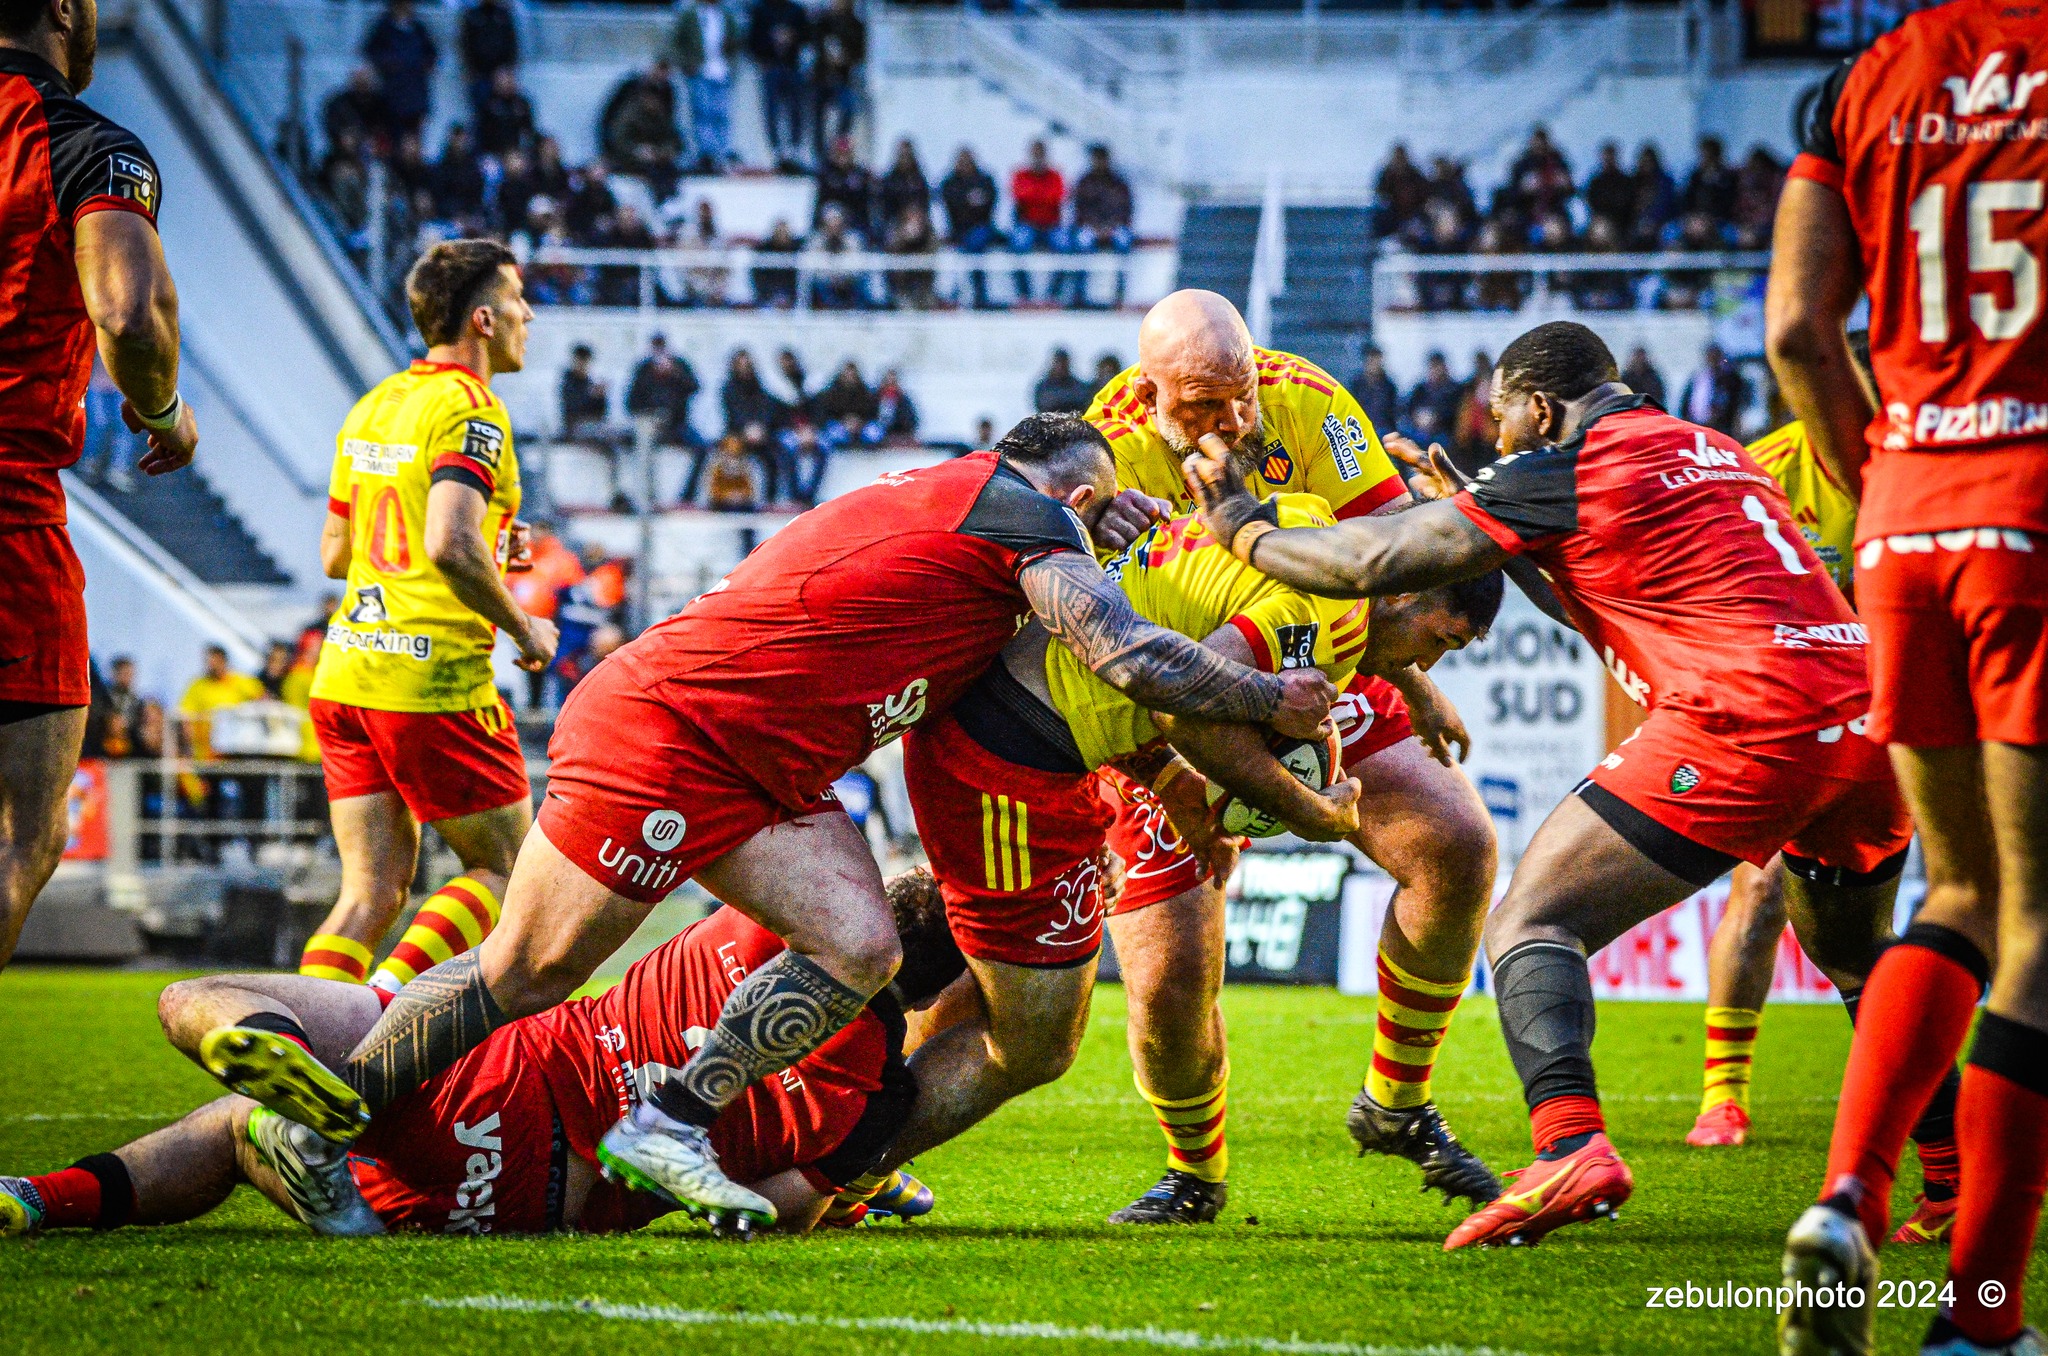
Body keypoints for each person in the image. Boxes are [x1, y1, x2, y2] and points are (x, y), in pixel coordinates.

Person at [193, 412, 1335, 1236]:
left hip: (764, 766)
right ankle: (326, 1123)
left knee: (862, 941)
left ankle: (670, 1121)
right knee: (527, 969)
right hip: (677, 733)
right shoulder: (1025, 520)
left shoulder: (953, 496)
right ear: (1060, 486)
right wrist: (1264, 697)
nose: (1094, 517)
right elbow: (1120, 649)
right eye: (1091, 497)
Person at [1183, 319, 1920, 1254]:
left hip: (1749, 713)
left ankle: (1568, 1146)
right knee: (1860, 959)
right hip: (1865, 712)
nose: (1496, 441)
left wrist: (1242, 525)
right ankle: (1950, 1181)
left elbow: (1369, 564)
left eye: (1501, 420)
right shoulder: (1714, 447)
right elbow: (1595, 593)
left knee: (1530, 920)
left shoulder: (1569, 460)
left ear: (1540, 407)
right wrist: (1496, 526)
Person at [881, 494, 1502, 1217]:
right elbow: (1175, 699)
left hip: (1086, 725)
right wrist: (1309, 811)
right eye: (1439, 640)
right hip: (1040, 747)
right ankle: (832, 1158)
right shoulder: (1322, 606)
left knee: (1013, 1007)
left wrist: (1188, 778)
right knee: (1033, 1022)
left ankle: (834, 1149)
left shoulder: (1313, 479)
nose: (1426, 660)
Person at [1083, 293, 1502, 1221]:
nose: (1229, 421)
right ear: (1149, 392)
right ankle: (1194, 1175)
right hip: (1163, 695)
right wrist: (1170, 773)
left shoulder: (1309, 400)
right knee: (1167, 983)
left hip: (1315, 656)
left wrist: (1417, 683)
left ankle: (1396, 1105)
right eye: (1199, 406)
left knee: (1456, 843)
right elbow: (1106, 643)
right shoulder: (1100, 451)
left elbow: (1395, 560)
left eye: (1237, 397)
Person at [1765, 5, 2048, 1353]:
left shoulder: (1871, 73)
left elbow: (1795, 332)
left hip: (1908, 518)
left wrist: (1886, 486)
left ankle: (1844, 1198)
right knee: (2040, 929)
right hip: (2037, 512)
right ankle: (1983, 1318)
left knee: (1960, 892)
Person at [3, 872, 962, 1239]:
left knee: (195, 1015)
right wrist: (844, 1191)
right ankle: (320, 1140)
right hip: (527, 1204)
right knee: (240, 1134)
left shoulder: (771, 925)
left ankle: (45, 1195)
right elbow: (782, 1209)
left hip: (502, 1074)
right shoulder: (877, 1096)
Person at [287, 240, 556, 1009]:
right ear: (482, 317)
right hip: (428, 674)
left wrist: (487, 545)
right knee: (506, 871)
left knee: (370, 892)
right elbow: (445, 543)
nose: (527, 314)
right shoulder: (471, 410)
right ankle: (377, 1011)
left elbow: (338, 554)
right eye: (516, 298)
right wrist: (522, 625)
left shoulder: (374, 404)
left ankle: (304, 1045)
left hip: (346, 671)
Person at [0, 0, 196, 967]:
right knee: (21, 836)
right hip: (8, 507)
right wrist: (163, 415)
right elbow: (127, 316)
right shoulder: (81, 142)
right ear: (67, 14)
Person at [671, 0, 740, 173]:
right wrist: (687, 64)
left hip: (722, 71)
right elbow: (676, 41)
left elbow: (736, 41)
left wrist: (732, 64)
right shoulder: (690, 14)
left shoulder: (726, 14)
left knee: (721, 114)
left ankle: (722, 153)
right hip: (700, 71)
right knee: (703, 112)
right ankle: (706, 153)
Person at [1069, 143, 1133, 308]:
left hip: (1114, 227)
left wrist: (1110, 227)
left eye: (1102, 159)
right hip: (1090, 227)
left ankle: (1119, 291)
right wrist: (1095, 227)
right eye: (1096, 159)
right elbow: (1079, 210)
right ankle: (1079, 292)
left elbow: (1125, 209)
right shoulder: (1084, 182)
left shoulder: (1119, 183)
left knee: (1124, 241)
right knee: (1082, 242)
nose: (1099, 162)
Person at [748, 0, 808, 172]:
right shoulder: (761, 10)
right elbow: (753, 40)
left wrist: (792, 36)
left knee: (796, 109)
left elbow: (807, 37)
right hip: (771, 66)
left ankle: (794, 150)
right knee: (771, 110)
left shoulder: (796, 11)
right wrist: (767, 49)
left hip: (792, 66)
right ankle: (776, 151)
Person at [362, 0, 436, 139]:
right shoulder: (383, 27)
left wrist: (422, 65)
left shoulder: (418, 28)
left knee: (415, 138)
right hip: (393, 95)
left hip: (416, 93)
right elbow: (372, 51)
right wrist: (390, 64)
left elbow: (431, 53)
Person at [176, 645, 264, 761]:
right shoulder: (197, 685)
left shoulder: (240, 681)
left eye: (215, 661)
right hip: (208, 748)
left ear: (224, 661)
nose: (211, 666)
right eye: (209, 662)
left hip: (237, 746)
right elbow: (184, 712)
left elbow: (263, 699)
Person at [941, 148, 999, 309]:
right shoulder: (949, 183)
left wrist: (966, 203)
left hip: (980, 229)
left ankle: (979, 294)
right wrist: (969, 201)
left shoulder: (985, 180)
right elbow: (952, 205)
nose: (965, 164)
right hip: (958, 230)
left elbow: (988, 206)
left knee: (975, 242)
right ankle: (958, 295)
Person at [1009, 140, 1065, 305]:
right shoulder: (1020, 174)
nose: (1038, 157)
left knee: (1065, 245)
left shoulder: (1055, 175)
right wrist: (1042, 195)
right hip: (1028, 225)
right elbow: (1019, 195)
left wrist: (1034, 195)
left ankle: (1054, 295)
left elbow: (1057, 196)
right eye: (1035, 153)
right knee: (1018, 244)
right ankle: (1024, 295)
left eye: (1040, 153)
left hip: (1051, 225)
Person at [809, 0, 864, 161]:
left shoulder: (855, 25)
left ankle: (839, 149)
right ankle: (820, 156)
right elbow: (813, 43)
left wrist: (845, 58)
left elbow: (860, 52)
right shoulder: (822, 22)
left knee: (848, 109)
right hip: (821, 77)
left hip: (843, 78)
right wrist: (826, 57)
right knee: (817, 117)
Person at [624, 332, 700, 448]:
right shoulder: (644, 369)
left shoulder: (679, 364)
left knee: (702, 445)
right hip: (649, 418)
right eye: (656, 346)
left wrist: (674, 373)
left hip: (676, 421)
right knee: (644, 432)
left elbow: (694, 387)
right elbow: (631, 402)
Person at [457, 0, 517, 121]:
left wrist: (506, 70)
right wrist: (472, 70)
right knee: (481, 115)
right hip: (480, 75)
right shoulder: (472, 16)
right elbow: (465, 45)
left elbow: (511, 44)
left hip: (501, 75)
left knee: (504, 115)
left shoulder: (503, 15)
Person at [1676, 342, 1746, 437]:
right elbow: (1686, 401)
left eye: (1715, 356)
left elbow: (1732, 403)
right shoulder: (1698, 377)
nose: (1712, 360)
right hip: (1695, 426)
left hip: (1719, 428)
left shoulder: (1729, 379)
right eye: (1710, 356)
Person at [1033, 348, 1092, 414]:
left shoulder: (1077, 385)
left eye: (1063, 363)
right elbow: (1043, 404)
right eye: (1058, 362)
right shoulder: (1043, 386)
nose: (1060, 366)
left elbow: (1083, 400)